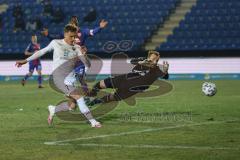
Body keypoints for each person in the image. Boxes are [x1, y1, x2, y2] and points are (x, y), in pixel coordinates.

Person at [16, 24, 101, 128]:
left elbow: (87, 64)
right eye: (71, 36)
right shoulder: (56, 43)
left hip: (71, 79)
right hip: (59, 78)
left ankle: (53, 109)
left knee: (72, 105)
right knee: (79, 97)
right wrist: (25, 61)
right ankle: (93, 122)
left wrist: (84, 55)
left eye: (75, 36)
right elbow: (41, 52)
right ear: (65, 34)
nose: (73, 39)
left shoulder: (77, 47)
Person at [87, 51, 169, 106]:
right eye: (152, 58)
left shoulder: (156, 70)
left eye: (156, 59)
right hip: (124, 79)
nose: (154, 60)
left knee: (113, 98)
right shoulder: (142, 60)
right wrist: (142, 62)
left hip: (133, 89)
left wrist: (166, 70)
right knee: (100, 84)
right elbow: (132, 61)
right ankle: (89, 97)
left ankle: (95, 102)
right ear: (148, 57)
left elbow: (165, 77)